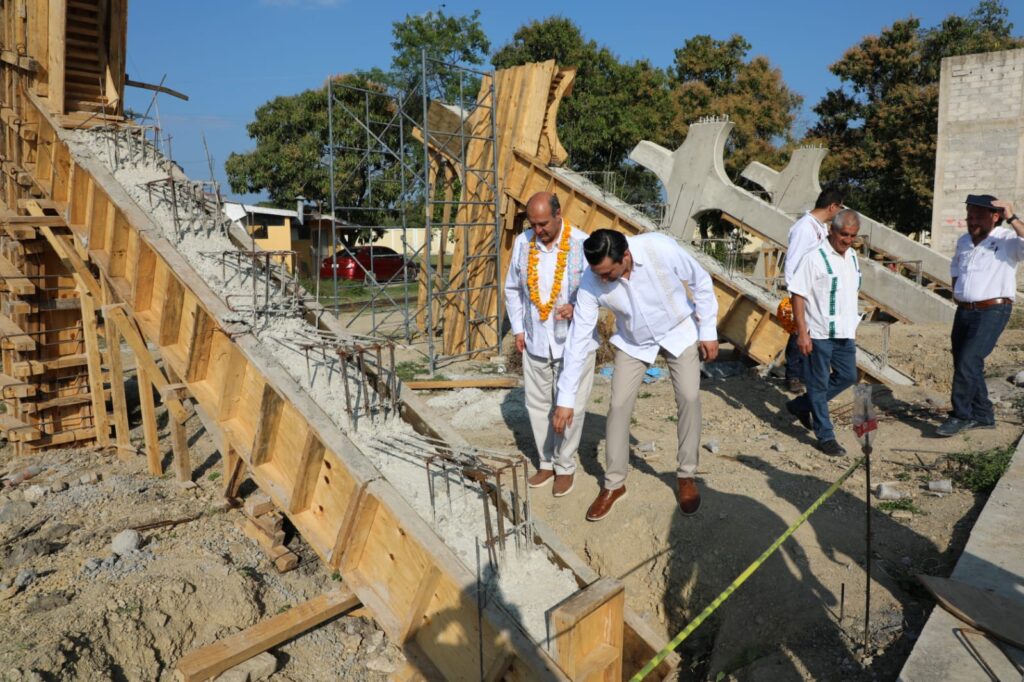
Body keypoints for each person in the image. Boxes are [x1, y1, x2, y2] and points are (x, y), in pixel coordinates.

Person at [553, 229, 718, 521]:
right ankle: (614, 484)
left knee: (690, 398)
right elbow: (578, 339)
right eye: (598, 274)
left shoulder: (658, 248)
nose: (602, 280)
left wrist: (708, 331)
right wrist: (565, 398)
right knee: (617, 406)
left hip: (679, 329)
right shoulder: (592, 280)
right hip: (633, 341)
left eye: (608, 273)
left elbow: (701, 281)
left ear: (625, 256)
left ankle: (686, 476)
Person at [504, 192, 597, 496]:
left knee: (571, 407)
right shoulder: (523, 243)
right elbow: (513, 289)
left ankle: (565, 465)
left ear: (559, 215)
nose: (538, 230)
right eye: (533, 224)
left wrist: (577, 307)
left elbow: (598, 290)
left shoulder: (582, 244)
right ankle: (546, 462)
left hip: (573, 341)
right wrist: (518, 328)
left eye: (543, 223)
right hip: (535, 340)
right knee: (537, 404)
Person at [936, 195, 1024, 437]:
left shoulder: (1008, 240)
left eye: (977, 217)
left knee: (969, 359)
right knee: (965, 362)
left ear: (994, 217)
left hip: (993, 310)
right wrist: (957, 290)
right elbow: (955, 266)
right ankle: (983, 414)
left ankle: (960, 415)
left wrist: (1012, 216)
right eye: (969, 217)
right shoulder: (964, 241)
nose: (971, 221)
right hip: (965, 311)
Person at [784, 209, 862, 457]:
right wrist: (802, 333)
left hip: (844, 332)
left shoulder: (853, 257)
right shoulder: (814, 257)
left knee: (848, 375)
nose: (847, 240)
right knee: (817, 384)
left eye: (852, 236)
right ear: (832, 230)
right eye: (844, 234)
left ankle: (801, 405)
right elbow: (798, 293)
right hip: (818, 332)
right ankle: (825, 436)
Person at [783, 187, 845, 393]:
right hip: (804, 291)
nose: (839, 213)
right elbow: (792, 263)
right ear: (832, 206)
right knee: (800, 332)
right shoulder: (804, 228)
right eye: (840, 208)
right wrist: (796, 294)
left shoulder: (818, 227)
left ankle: (805, 374)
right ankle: (793, 375)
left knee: (811, 333)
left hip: (816, 291)